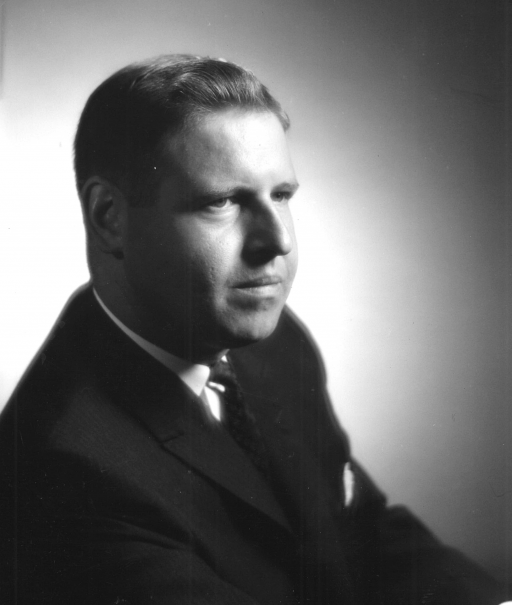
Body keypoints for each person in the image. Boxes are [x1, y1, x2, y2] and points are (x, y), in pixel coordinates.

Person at [0, 54, 508, 605]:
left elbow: (361, 532)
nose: (278, 241)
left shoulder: (270, 341)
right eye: (222, 201)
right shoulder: (63, 474)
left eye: (282, 195)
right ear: (109, 217)